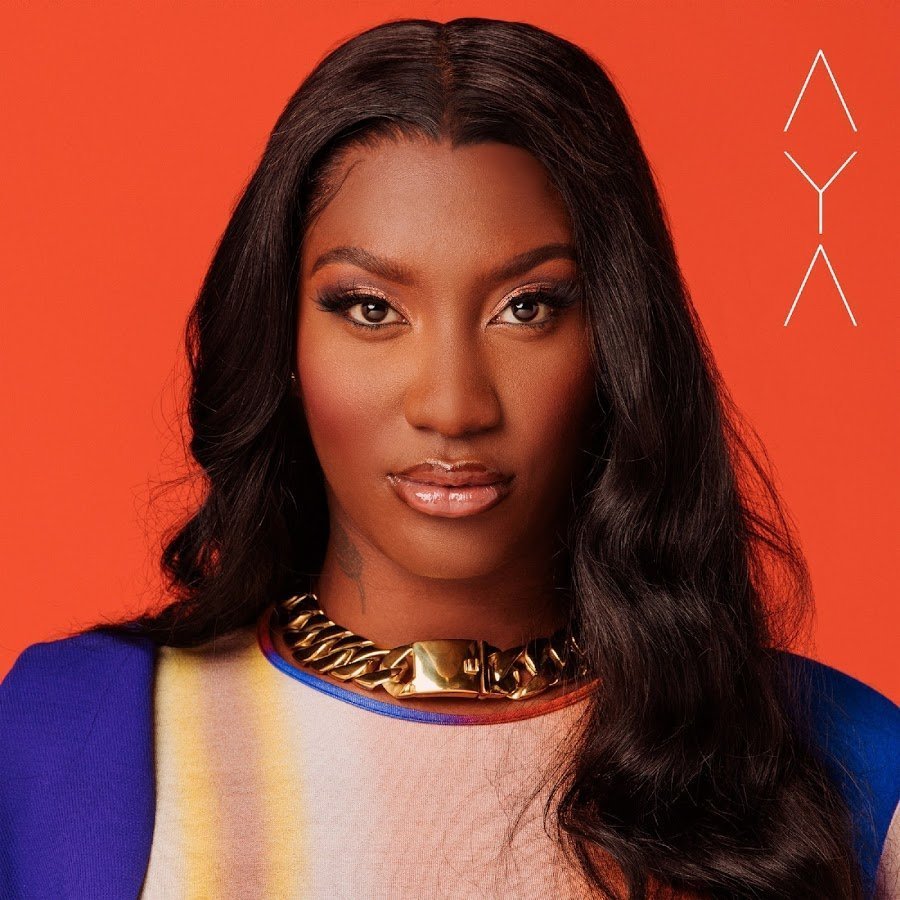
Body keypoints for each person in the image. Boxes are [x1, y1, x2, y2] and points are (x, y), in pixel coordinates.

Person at [1, 16, 898, 900]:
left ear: (619, 343)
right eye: (370, 309)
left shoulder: (853, 768)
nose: (453, 406)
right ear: (282, 336)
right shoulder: (58, 744)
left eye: (528, 308)